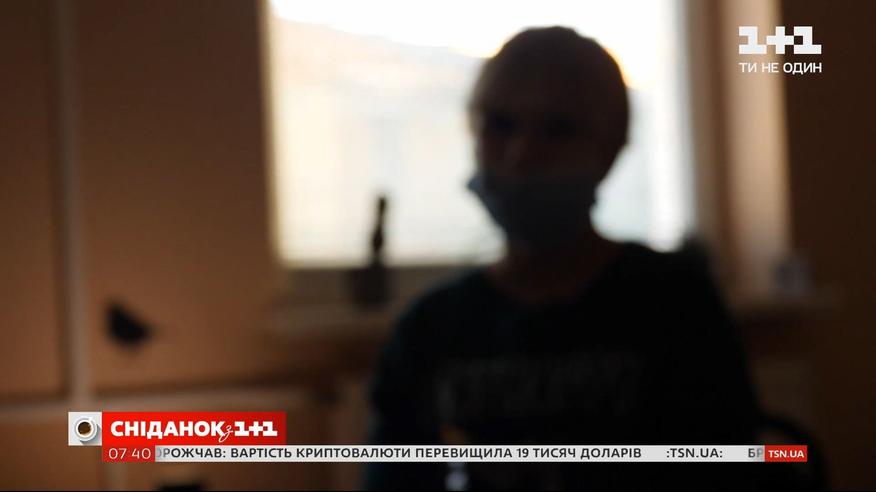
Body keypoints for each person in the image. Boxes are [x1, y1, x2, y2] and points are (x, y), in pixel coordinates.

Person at [363, 26, 761, 490]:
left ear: (610, 148)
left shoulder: (675, 305)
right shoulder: (429, 330)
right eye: (500, 124)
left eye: (558, 129)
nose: (521, 155)